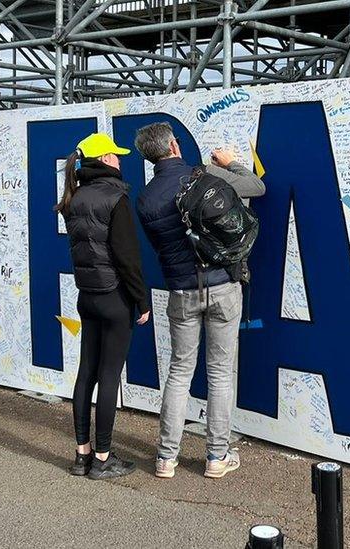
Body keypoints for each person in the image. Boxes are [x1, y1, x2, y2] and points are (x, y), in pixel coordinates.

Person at [133, 122, 265, 479]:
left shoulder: (145, 198)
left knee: (179, 372)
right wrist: (229, 164)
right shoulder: (204, 175)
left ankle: (165, 458)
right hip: (222, 285)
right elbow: (257, 187)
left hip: (180, 291)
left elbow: (162, 246)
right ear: (175, 146)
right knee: (220, 374)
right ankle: (216, 457)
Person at [57, 133, 150, 480]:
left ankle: (82, 456)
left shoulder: (74, 196)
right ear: (106, 159)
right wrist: (141, 300)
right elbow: (128, 258)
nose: (120, 159)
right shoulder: (116, 198)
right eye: (116, 154)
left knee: (87, 373)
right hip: (115, 298)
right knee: (110, 376)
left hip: (87, 296)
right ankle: (103, 457)